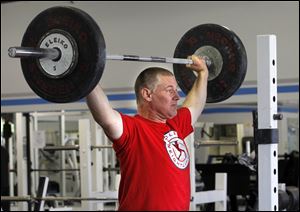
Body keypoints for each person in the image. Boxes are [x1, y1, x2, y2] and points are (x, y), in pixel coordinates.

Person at [86, 55, 208, 210]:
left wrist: (203, 73)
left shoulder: (175, 125)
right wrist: (87, 75)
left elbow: (196, 104)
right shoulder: (133, 129)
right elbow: (105, 116)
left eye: (176, 91)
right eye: (170, 90)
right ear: (147, 94)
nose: (177, 97)